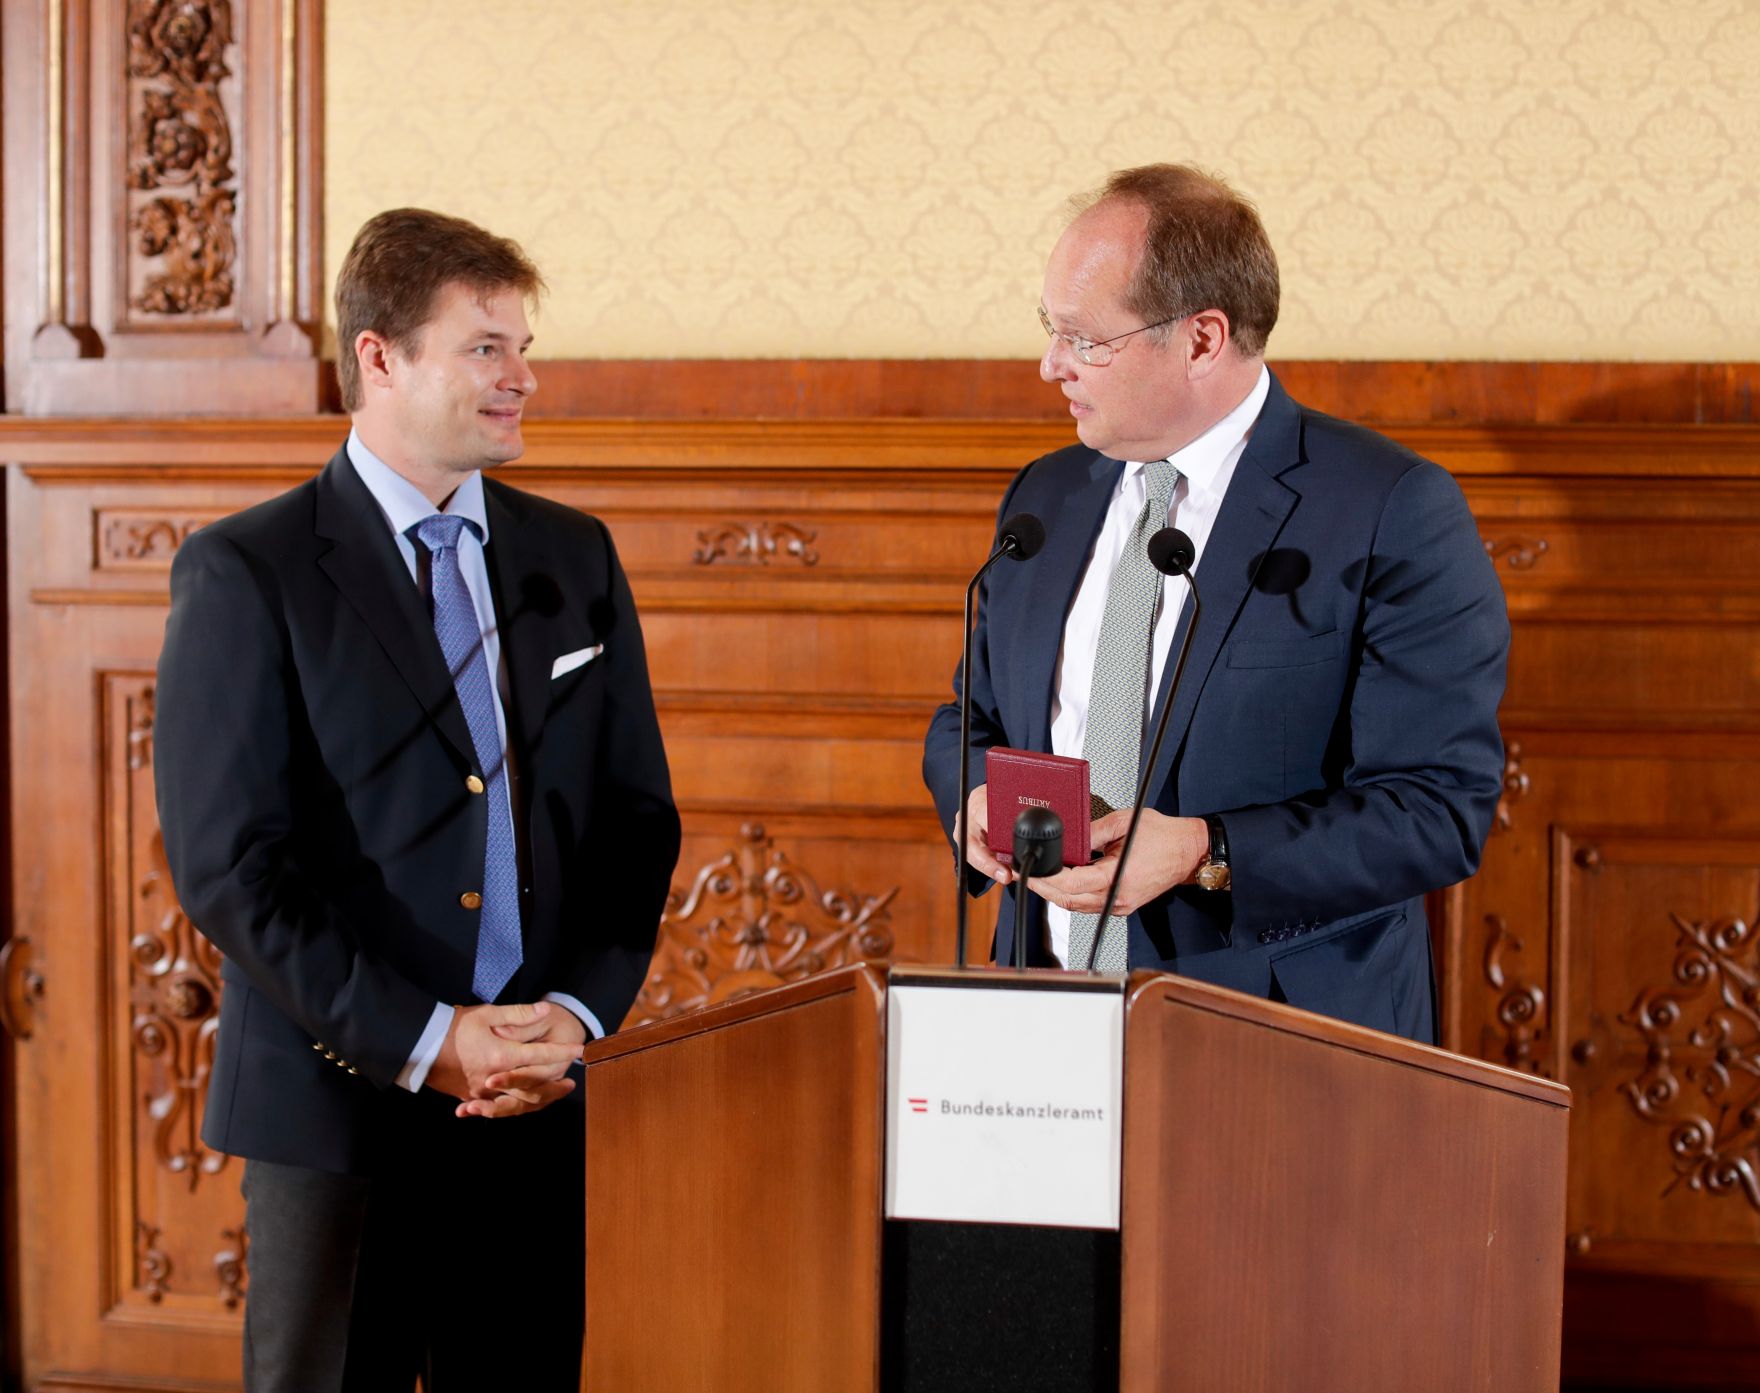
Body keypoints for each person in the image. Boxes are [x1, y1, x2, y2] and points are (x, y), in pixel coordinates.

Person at [154, 208, 680, 1389]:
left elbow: (636, 817)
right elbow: (230, 866)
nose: (523, 378)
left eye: (523, 347)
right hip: (337, 1110)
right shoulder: (248, 571)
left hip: (530, 1107)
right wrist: (429, 1037)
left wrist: (579, 1018)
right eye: (487, 348)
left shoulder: (575, 555)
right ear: (380, 356)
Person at [922, 164, 1508, 1042]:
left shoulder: (1387, 508)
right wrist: (972, 796)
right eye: (1053, 329)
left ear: (1201, 340)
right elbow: (970, 717)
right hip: (1044, 1020)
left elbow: (1435, 809)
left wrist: (1208, 850)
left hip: (1276, 1042)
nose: (1051, 365)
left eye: (1086, 339)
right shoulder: (1047, 496)